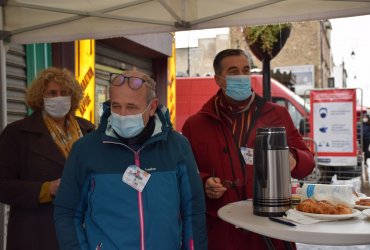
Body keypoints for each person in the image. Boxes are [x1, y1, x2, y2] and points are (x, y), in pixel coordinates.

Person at [54, 70, 207, 250]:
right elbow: (67, 212)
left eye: (131, 107)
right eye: (116, 106)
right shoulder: (85, 149)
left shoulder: (178, 146)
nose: (122, 114)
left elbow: (193, 212)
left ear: (152, 107)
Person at [182, 49, 315, 250]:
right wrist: (204, 181)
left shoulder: (277, 114)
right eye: (234, 71)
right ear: (219, 79)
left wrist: (295, 159)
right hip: (222, 229)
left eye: (246, 70)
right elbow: (187, 172)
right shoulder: (196, 124)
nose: (242, 76)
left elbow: (308, 162)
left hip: (270, 227)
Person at [0, 67, 95, 250]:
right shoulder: (17, 133)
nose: (58, 97)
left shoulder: (88, 130)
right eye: (52, 93)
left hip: (82, 230)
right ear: (40, 97)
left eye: (64, 93)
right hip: (37, 233)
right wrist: (46, 189)